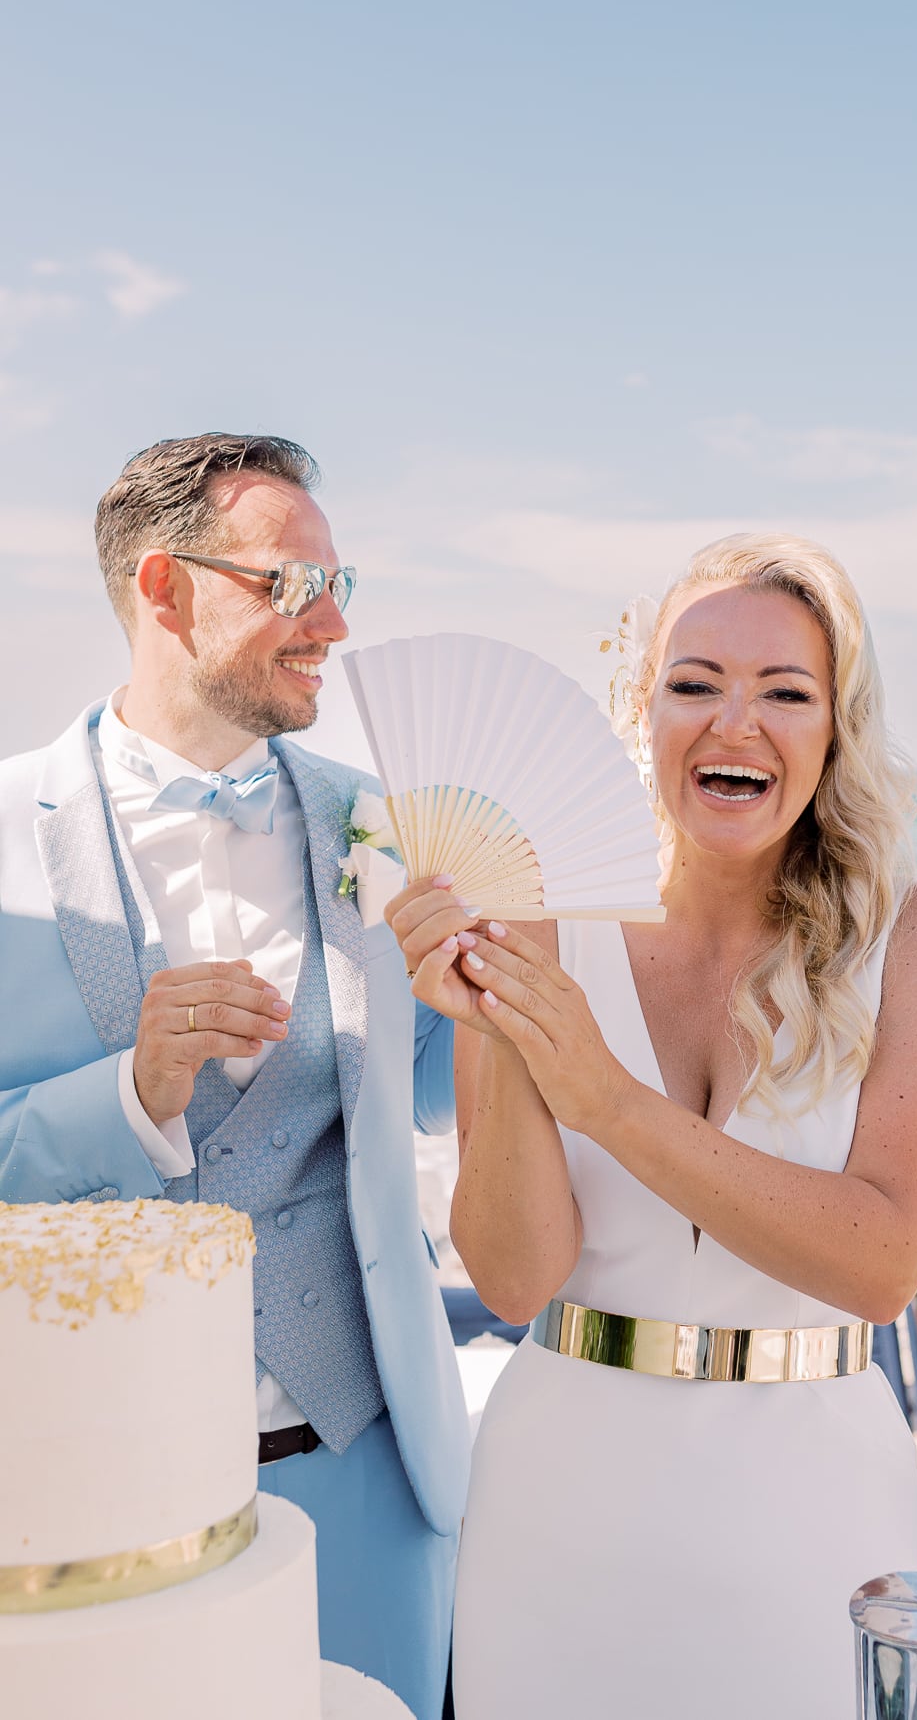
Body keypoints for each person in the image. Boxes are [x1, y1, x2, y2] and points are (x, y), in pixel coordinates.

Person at [389, 533, 917, 1720]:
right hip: (557, 1508)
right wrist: (502, 1025)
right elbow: (513, 1279)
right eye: (695, 684)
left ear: (836, 728)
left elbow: (879, 1265)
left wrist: (608, 1100)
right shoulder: (538, 919)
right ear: (642, 709)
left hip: (814, 1517)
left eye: (785, 692)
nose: (736, 724)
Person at [0, 433, 468, 1720]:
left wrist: (475, 1002)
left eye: (342, 585)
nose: (333, 626)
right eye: (289, 586)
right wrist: (132, 1093)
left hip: (371, 1470)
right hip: (90, 1499)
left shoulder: (379, 820)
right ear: (162, 589)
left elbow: (428, 1102)